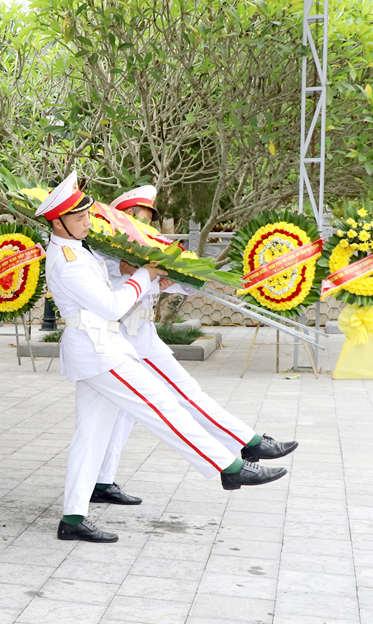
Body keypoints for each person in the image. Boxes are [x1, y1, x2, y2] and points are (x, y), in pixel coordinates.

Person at [38, 172, 287, 544]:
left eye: (88, 215)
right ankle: (229, 466)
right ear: (57, 223)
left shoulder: (77, 249)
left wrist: (147, 276)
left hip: (99, 348)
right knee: (162, 406)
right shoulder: (69, 259)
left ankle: (73, 518)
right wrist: (143, 274)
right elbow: (111, 305)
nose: (88, 222)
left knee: (90, 436)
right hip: (99, 351)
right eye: (79, 218)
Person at [91, 186, 298, 506]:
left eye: (149, 220)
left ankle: (102, 482)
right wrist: (139, 270)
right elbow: (111, 286)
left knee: (131, 412)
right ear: (124, 219)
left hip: (143, 337)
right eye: (140, 219)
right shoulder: (102, 251)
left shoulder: (148, 250)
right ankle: (246, 443)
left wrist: (176, 272)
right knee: (182, 395)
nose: (148, 226)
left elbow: (185, 285)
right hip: (121, 338)